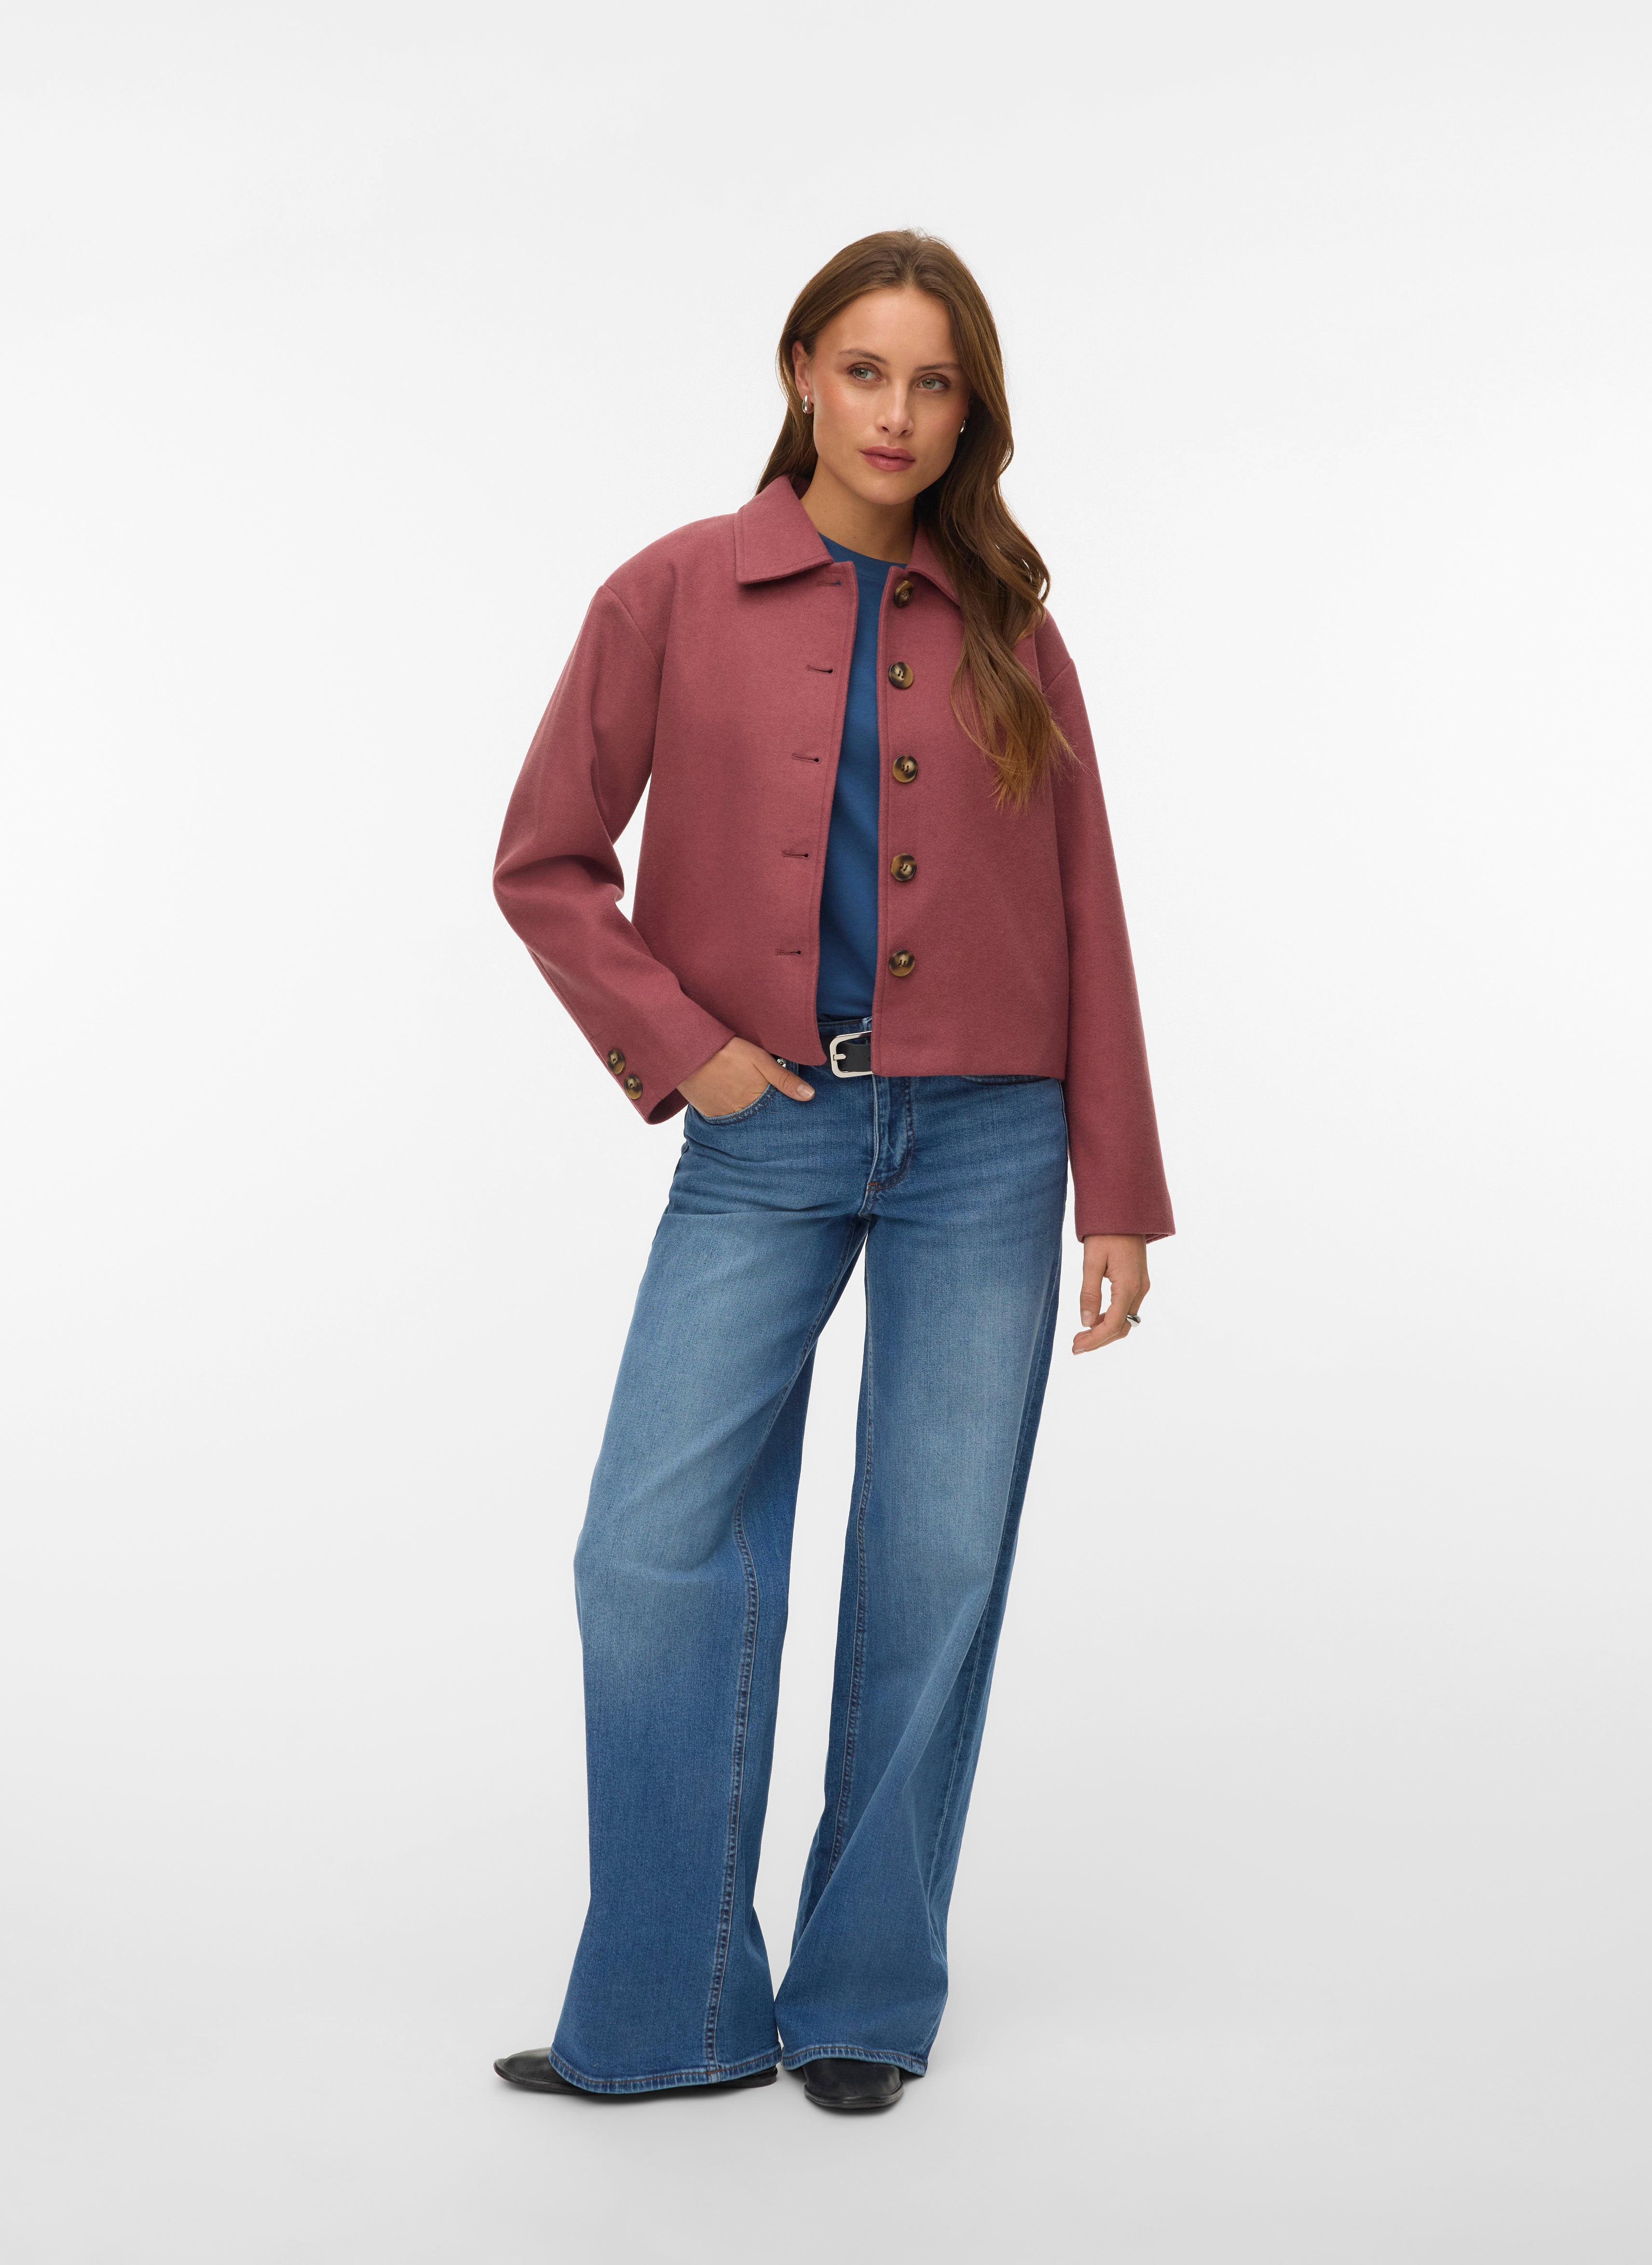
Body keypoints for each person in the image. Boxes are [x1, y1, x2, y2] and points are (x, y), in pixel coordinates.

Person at [489, 229, 1173, 2114]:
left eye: (933, 382)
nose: (895, 412)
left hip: (989, 1139)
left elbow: (1087, 905)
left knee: (935, 1563)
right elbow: (544, 859)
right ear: (801, 371)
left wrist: (1116, 1183)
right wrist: (687, 1047)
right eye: (865, 370)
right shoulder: (671, 592)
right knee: (647, 1549)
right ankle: (674, 2007)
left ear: (969, 413)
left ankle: (865, 1995)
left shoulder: (1011, 623)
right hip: (764, 1126)